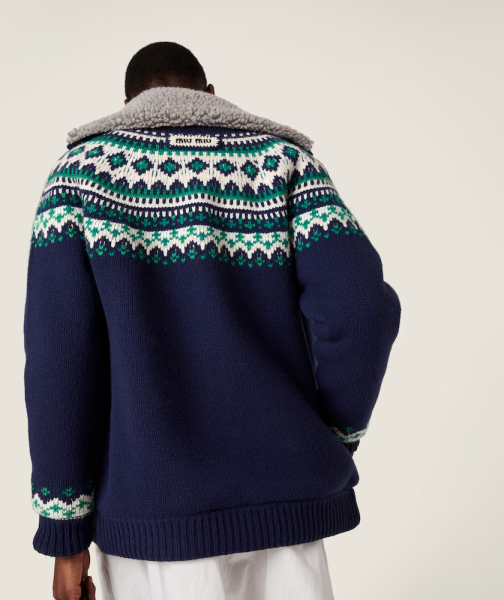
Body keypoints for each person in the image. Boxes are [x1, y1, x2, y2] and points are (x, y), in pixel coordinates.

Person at [23, 41, 401, 600]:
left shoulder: (79, 179)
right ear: (210, 94)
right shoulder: (285, 163)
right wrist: (332, 438)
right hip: (286, 503)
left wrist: (65, 533)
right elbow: (361, 307)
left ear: (127, 105)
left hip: (154, 521)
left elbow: (59, 364)